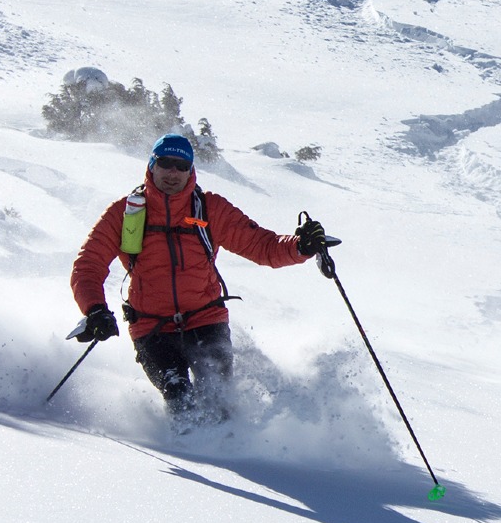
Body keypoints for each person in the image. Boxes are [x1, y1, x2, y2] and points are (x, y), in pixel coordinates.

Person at [70, 133, 333, 425]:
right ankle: (188, 454)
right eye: (165, 163)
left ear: (191, 171)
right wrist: (94, 309)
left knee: (219, 401)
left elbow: (263, 246)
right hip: (151, 326)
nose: (172, 172)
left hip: (205, 320)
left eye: (181, 166)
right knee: (178, 393)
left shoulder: (209, 209)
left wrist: (300, 246)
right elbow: (88, 265)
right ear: (151, 166)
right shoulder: (125, 213)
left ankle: (237, 456)